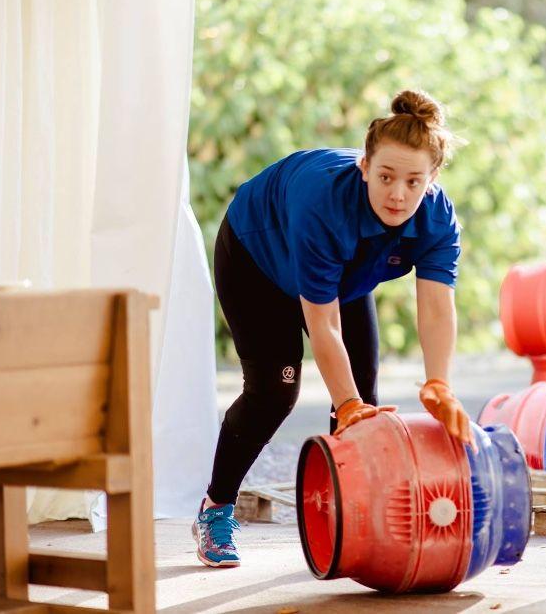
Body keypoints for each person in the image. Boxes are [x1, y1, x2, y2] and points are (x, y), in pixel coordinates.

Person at [192, 90, 474, 568]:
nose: (398, 194)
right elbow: (323, 324)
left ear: (432, 181)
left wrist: (439, 384)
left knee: (364, 398)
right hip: (257, 259)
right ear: (364, 166)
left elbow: (436, 309)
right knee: (275, 393)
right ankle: (215, 508)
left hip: (344, 271)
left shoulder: (437, 219)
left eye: (413, 181)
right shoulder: (323, 203)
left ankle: (344, 520)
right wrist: (345, 406)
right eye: (385, 177)